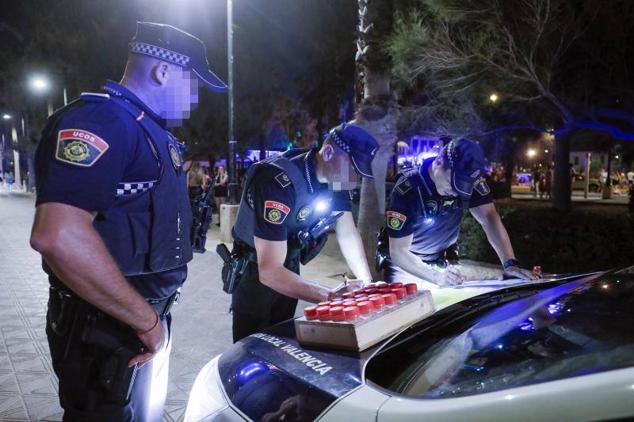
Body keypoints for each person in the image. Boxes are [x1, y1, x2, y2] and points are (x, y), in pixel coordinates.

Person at [29, 22, 227, 421]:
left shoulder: (142, 127)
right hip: (105, 329)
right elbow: (58, 235)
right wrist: (148, 322)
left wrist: (152, 322)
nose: (194, 99)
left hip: (132, 324)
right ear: (163, 71)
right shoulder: (103, 121)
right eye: (192, 86)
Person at [227, 122, 378, 342]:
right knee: (251, 346)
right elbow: (269, 271)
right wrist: (330, 297)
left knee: (283, 339)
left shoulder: (338, 181)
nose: (356, 179)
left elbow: (346, 233)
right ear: (327, 152)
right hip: (253, 271)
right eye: (353, 168)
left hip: (289, 263)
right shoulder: (277, 181)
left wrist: (367, 284)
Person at [383, 139, 537, 289]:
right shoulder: (408, 188)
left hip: (444, 263)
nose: (456, 193)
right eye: (452, 185)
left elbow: (489, 218)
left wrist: (510, 264)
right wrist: (435, 277)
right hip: (406, 267)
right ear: (438, 163)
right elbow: (398, 251)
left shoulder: (470, 180)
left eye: (462, 189)